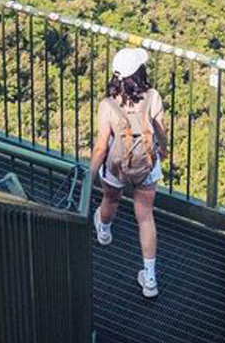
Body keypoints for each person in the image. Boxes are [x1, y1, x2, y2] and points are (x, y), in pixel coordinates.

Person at [88, 47, 168, 298]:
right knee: (145, 216)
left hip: (116, 165)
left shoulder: (108, 105)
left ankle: (103, 231)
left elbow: (102, 145)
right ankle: (151, 279)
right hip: (147, 163)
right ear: (140, 72)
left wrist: (89, 176)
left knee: (110, 199)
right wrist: (163, 150)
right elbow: (161, 130)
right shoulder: (153, 96)